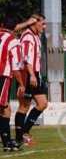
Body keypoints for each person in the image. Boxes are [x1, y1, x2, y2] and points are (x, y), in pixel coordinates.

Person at [15, 14, 48, 147]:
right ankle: (19, 138)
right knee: (24, 106)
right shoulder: (28, 36)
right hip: (28, 74)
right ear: (34, 23)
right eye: (43, 23)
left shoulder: (36, 36)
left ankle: (23, 133)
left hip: (35, 74)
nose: (44, 27)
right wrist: (32, 75)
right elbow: (26, 58)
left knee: (43, 103)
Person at [0, 16, 25, 152]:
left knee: (6, 108)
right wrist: (21, 84)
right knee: (3, 108)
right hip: (3, 76)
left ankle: (7, 141)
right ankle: (6, 142)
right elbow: (15, 67)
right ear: (15, 28)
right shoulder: (13, 41)